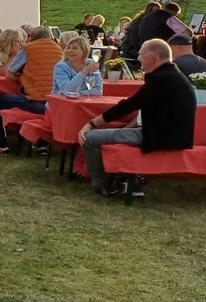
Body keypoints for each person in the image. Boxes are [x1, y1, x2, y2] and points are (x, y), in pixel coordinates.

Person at [79, 40, 196, 196]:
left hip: (159, 137)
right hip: (169, 134)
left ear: (152, 58)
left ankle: (104, 185)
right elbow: (139, 105)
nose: (138, 57)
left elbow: (129, 105)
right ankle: (122, 179)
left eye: (141, 54)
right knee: (114, 132)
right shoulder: (171, 75)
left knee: (90, 137)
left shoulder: (161, 78)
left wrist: (91, 124)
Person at [0, 26, 61, 155]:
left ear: (32, 38)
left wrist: (23, 76)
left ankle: (0, 144)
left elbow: (10, 74)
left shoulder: (28, 49)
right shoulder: (59, 49)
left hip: (36, 101)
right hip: (54, 103)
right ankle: (39, 144)